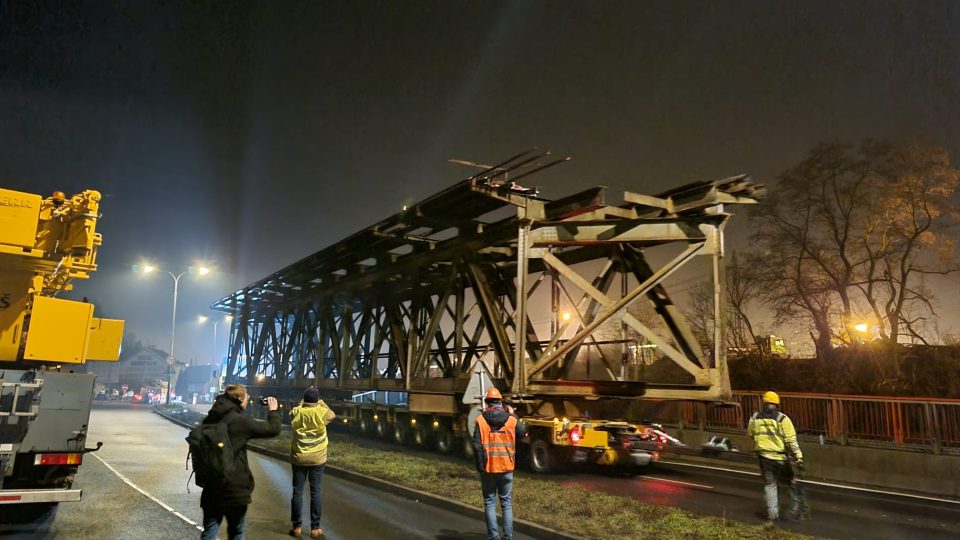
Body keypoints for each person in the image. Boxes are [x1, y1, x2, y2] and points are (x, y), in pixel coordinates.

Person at [199, 384, 281, 540]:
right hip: (234, 490)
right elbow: (273, 429)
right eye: (246, 397)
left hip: (211, 487)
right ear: (240, 399)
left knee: (209, 531)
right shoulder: (240, 421)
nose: (247, 400)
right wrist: (273, 410)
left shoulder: (211, 418)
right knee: (236, 533)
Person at [747, 390, 810, 524]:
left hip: (764, 457)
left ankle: (772, 515)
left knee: (770, 485)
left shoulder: (755, 418)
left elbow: (751, 434)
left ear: (764, 402)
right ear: (777, 403)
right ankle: (798, 510)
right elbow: (791, 440)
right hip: (780, 458)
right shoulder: (782, 419)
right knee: (791, 482)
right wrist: (799, 457)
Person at [472, 388, 526, 540]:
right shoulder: (512, 420)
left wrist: (481, 468)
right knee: (506, 504)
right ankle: (507, 537)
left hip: (488, 469)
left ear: (487, 402)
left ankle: (493, 537)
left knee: (489, 503)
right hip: (506, 468)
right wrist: (512, 414)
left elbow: (476, 445)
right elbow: (523, 434)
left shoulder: (480, 420)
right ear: (500, 402)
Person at [289, 387, 336, 538]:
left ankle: (297, 527)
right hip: (317, 458)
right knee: (315, 492)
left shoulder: (297, 411)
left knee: (297, 492)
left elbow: (294, 410)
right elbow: (332, 414)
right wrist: (321, 402)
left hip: (299, 457)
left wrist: (303, 402)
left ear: (304, 400)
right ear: (317, 400)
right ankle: (315, 528)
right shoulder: (322, 412)